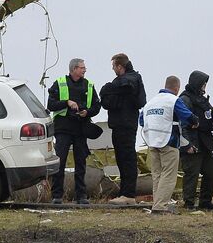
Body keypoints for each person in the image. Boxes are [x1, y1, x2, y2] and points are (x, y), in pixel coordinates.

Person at [46, 58, 102, 204]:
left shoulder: (89, 85)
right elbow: (51, 104)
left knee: (81, 163)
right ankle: (57, 196)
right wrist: (67, 102)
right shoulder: (60, 83)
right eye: (82, 68)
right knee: (60, 161)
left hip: (81, 129)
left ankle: (81, 196)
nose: (85, 70)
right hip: (63, 129)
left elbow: (97, 106)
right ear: (73, 69)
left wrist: (87, 112)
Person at [140, 75, 194, 213]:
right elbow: (188, 116)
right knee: (169, 175)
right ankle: (160, 206)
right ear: (177, 88)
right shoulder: (174, 100)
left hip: (152, 142)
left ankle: (156, 204)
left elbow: (141, 121)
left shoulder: (151, 102)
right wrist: (196, 122)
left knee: (157, 175)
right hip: (169, 141)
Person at [99, 53, 146, 204]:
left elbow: (119, 88)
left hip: (126, 124)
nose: (113, 69)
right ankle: (124, 193)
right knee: (121, 159)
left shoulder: (132, 78)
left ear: (120, 66)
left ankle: (129, 195)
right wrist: (109, 92)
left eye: (114, 66)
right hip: (119, 125)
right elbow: (106, 101)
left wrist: (107, 88)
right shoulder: (120, 81)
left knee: (127, 159)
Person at [178, 70, 213, 210]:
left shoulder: (202, 99)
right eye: (203, 83)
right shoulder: (185, 99)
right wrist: (187, 144)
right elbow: (182, 124)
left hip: (205, 142)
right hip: (192, 142)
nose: (205, 86)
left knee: (211, 169)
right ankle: (189, 203)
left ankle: (205, 201)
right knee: (192, 173)